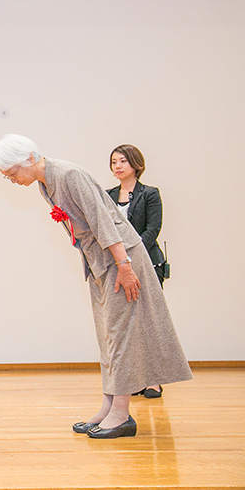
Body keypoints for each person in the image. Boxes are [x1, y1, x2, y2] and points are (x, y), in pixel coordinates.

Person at [0, 134, 191, 439]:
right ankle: (109, 406)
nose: (13, 180)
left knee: (122, 334)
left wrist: (124, 266)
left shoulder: (68, 175)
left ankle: (121, 414)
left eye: (13, 173)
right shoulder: (47, 183)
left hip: (120, 257)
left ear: (29, 159)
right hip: (102, 262)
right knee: (108, 335)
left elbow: (102, 220)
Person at [106, 143, 167, 399]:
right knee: (126, 326)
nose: (117, 167)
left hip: (146, 264)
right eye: (113, 162)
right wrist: (121, 261)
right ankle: (133, 379)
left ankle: (153, 380)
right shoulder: (106, 195)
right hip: (119, 268)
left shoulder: (150, 194)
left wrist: (131, 256)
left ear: (136, 164)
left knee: (148, 322)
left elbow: (153, 230)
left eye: (122, 161)